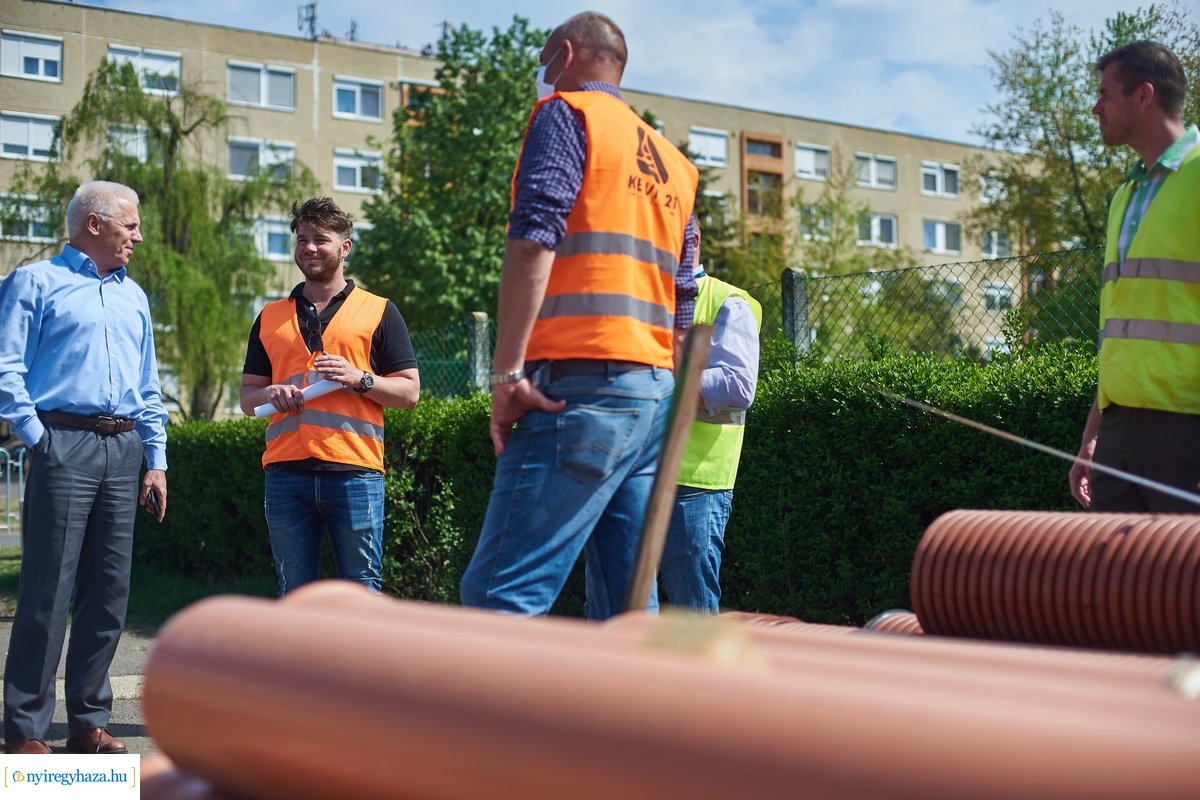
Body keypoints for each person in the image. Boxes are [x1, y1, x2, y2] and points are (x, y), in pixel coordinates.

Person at [459, 11, 700, 620]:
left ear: (564, 55)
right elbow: (684, 291)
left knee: (497, 599)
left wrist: (507, 372)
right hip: (649, 394)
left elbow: (534, 238)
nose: (541, 77)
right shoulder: (674, 164)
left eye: (543, 62)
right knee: (627, 613)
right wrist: (658, 386)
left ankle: (501, 720)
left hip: (578, 388)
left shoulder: (568, 117)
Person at [0, 180, 168, 755]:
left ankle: (88, 722)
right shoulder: (35, 282)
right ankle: (25, 727)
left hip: (124, 451)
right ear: (93, 225)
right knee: (49, 589)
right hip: (62, 443)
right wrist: (37, 438)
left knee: (108, 591)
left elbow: (148, 385)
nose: (138, 237)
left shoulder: (135, 297)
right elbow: (7, 368)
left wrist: (156, 459)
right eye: (131, 226)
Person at [240, 197, 419, 595]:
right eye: (302, 239)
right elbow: (248, 397)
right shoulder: (269, 316)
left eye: (321, 238)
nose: (309, 247)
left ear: (345, 247)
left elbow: (409, 392)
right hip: (286, 472)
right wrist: (270, 391)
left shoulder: (379, 311)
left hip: (355, 472)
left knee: (362, 591)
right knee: (294, 593)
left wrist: (361, 379)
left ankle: (359, 662)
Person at [1069, 41, 1200, 512]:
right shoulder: (1124, 196)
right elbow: (1120, 333)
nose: (1095, 106)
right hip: (1120, 433)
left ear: (1144, 96)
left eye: (1105, 93)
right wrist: (1094, 438)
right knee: (1118, 584)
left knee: (1184, 583)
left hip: (1187, 431)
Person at [660, 231, 761, 612]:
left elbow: (737, 385)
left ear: (694, 239)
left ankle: (701, 674)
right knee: (617, 610)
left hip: (695, 484)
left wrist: (658, 383)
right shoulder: (646, 300)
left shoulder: (727, 302)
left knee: (692, 611)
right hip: (635, 471)